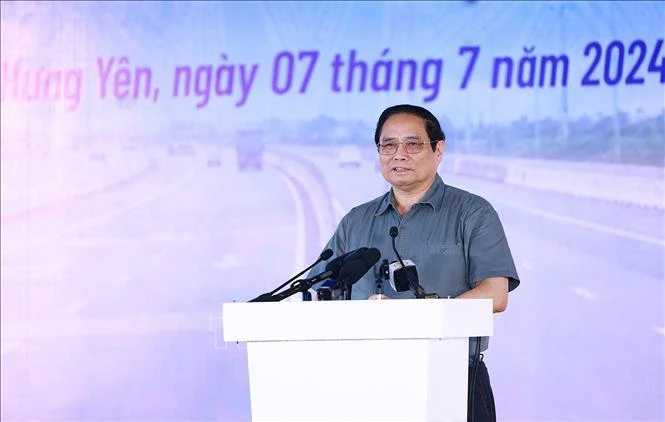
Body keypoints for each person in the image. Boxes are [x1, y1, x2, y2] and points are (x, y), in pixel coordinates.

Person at [309, 104, 520, 422]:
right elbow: (320, 289)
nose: (398, 154)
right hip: (366, 381)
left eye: (412, 143)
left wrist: (419, 316)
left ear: (438, 150)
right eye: (388, 145)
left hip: (452, 376)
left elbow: (495, 294)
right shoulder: (356, 221)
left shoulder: (473, 213)